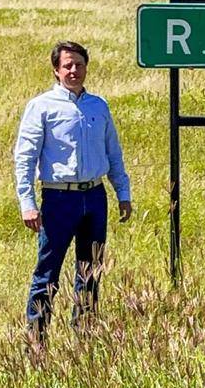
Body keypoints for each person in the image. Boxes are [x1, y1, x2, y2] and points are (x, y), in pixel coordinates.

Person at [14, 40, 132, 347]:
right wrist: (27, 203)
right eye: (67, 65)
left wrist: (123, 192)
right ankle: (37, 342)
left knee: (90, 271)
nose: (73, 70)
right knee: (47, 273)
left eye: (78, 64)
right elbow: (25, 158)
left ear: (86, 67)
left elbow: (113, 152)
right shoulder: (41, 107)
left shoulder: (98, 106)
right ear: (56, 70)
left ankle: (85, 338)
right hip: (58, 199)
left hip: (94, 196)